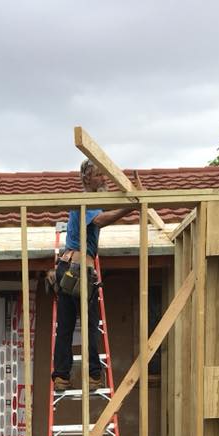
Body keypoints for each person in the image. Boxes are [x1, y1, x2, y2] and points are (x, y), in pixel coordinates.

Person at [51, 159, 134, 391]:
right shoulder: (85, 202)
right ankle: (93, 375)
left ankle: (62, 376)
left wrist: (128, 191)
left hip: (68, 269)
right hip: (78, 271)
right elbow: (101, 220)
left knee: (67, 325)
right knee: (88, 324)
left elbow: (108, 203)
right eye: (98, 175)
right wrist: (131, 207)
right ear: (86, 178)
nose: (103, 179)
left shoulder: (92, 201)